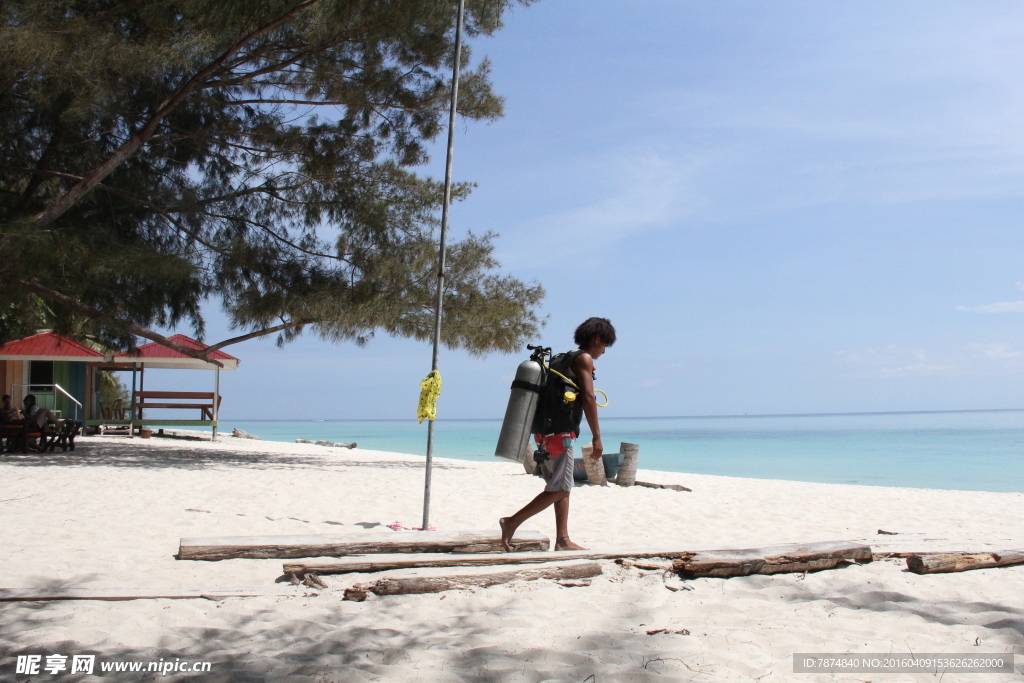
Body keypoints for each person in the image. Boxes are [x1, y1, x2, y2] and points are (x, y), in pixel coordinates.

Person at [500, 317, 617, 552]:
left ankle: (562, 540)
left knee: (559, 485)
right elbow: (588, 398)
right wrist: (596, 436)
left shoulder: (562, 358)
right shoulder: (583, 359)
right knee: (562, 487)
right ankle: (511, 522)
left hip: (544, 433)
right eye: (605, 345)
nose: (604, 351)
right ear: (597, 339)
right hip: (561, 433)